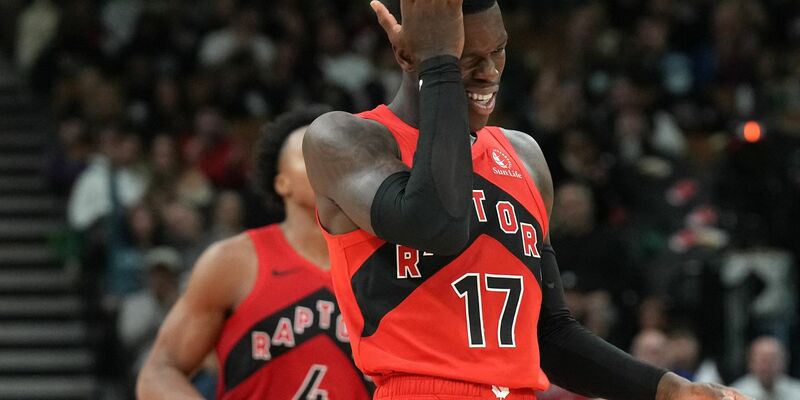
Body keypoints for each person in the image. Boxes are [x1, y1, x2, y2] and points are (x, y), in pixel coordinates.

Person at [302, 1, 750, 399]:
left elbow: (551, 333)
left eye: (498, 51)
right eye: (467, 58)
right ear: (407, 55)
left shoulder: (524, 156)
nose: (490, 72)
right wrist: (437, 61)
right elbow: (437, 223)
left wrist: (672, 390)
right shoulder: (346, 138)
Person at [136, 106, 373, 399]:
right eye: (309, 154)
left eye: (334, 154)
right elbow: (159, 371)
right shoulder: (234, 262)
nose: (325, 164)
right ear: (281, 181)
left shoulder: (389, 263)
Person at [732, 336, 800, 400]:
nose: (768, 366)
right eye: (763, 360)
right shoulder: (734, 394)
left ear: (784, 361)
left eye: (773, 360)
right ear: (750, 362)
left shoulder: (797, 393)